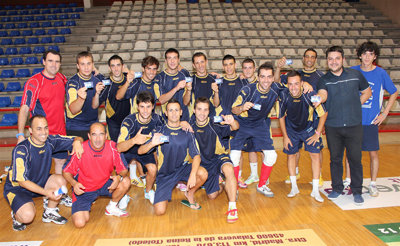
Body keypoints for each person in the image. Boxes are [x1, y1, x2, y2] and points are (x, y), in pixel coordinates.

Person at [3, 115, 83, 231]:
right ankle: (17, 216)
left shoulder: (50, 141)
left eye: (46, 128)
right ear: (30, 130)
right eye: (39, 129)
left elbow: (78, 138)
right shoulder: (21, 150)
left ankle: (49, 212)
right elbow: (22, 181)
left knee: (60, 180)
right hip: (18, 189)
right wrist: (46, 192)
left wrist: (77, 143)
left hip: (40, 182)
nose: (44, 132)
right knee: (27, 216)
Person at [315, 46, 372, 205]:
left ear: (343, 60)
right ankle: (337, 188)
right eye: (330, 59)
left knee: (355, 159)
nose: (333, 62)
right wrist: (319, 98)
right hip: (333, 127)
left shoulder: (355, 75)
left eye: (337, 58)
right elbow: (323, 94)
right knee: (335, 159)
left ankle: (357, 190)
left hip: (354, 126)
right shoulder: (324, 79)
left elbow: (367, 92)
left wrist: (356, 103)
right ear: (327, 61)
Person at [17, 50, 73, 207]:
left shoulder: (61, 78)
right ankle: (41, 195)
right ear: (43, 62)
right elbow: (24, 108)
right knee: (41, 168)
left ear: (60, 64)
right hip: (42, 135)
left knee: (61, 164)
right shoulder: (34, 82)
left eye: (57, 61)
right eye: (50, 61)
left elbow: (75, 84)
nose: (53, 64)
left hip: (60, 132)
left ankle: (59, 194)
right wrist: (20, 134)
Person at [343, 41, 398, 196]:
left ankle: (373, 183)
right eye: (365, 54)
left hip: (371, 121)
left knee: (373, 153)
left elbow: (393, 92)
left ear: (375, 56)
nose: (367, 57)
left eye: (371, 54)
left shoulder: (380, 73)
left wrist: (385, 112)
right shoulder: (352, 71)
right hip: (353, 120)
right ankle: (348, 180)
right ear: (360, 55)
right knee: (350, 152)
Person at [138, 99, 207, 215]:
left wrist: (192, 175)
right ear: (166, 113)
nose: (174, 113)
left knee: (202, 173)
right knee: (160, 211)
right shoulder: (159, 130)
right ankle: (157, 189)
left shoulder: (187, 132)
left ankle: (189, 193)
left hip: (182, 169)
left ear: (181, 112)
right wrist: (152, 143)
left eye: (176, 110)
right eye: (170, 110)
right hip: (165, 175)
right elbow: (140, 151)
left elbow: (196, 156)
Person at [63, 122, 131, 228]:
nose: (98, 139)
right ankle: (92, 201)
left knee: (125, 181)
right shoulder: (80, 149)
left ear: (106, 136)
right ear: (89, 136)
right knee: (80, 223)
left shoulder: (112, 146)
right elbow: (66, 171)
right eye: (94, 134)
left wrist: (119, 177)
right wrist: (74, 183)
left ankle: (112, 207)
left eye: (101, 134)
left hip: (105, 185)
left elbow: (123, 169)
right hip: (85, 190)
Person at [230, 62, 282, 197]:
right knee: (234, 155)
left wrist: (306, 85)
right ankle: (233, 186)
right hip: (243, 124)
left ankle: (262, 184)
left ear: (272, 78)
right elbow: (233, 109)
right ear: (258, 77)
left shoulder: (276, 89)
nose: (266, 80)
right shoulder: (248, 90)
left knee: (272, 156)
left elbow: (294, 87)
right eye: (263, 77)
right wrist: (242, 108)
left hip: (260, 125)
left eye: (269, 77)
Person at [275, 48, 325, 186]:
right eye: (307, 56)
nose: (309, 59)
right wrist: (278, 67)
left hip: (313, 120)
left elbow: (324, 95)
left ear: (315, 59)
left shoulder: (321, 76)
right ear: (303, 58)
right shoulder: (297, 75)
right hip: (295, 120)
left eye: (312, 57)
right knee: (294, 149)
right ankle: (295, 172)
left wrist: (320, 127)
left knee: (316, 150)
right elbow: (277, 81)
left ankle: (318, 175)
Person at [278, 71, 327, 202]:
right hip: (291, 130)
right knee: (291, 155)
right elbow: (281, 116)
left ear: (301, 84)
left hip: (309, 129)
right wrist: (285, 136)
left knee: (315, 156)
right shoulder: (284, 94)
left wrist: (317, 133)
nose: (293, 87)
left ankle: (315, 190)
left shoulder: (310, 95)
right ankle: (294, 187)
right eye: (290, 84)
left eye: (296, 84)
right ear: (287, 85)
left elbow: (323, 114)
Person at [191, 97, 239, 223]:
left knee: (229, 169)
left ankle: (233, 208)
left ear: (209, 111)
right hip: (204, 165)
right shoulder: (189, 128)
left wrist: (232, 121)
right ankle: (223, 184)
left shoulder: (215, 123)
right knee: (212, 196)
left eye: (205, 110)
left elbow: (235, 127)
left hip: (218, 157)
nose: (202, 113)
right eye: (199, 109)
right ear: (194, 110)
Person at [117, 91, 164, 204]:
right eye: (142, 106)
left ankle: (148, 191)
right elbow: (118, 147)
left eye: (148, 107)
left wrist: (183, 123)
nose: (145, 110)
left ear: (153, 106)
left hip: (146, 149)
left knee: (153, 170)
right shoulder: (129, 121)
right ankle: (123, 195)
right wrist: (134, 140)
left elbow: (171, 127)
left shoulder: (158, 120)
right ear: (137, 107)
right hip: (128, 149)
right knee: (122, 172)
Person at [92, 55, 133, 142]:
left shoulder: (129, 79)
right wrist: (97, 93)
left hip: (129, 121)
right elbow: (95, 106)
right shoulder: (106, 84)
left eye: (118, 65)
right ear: (109, 68)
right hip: (113, 123)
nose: (116, 69)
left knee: (128, 150)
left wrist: (130, 72)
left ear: (123, 66)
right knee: (114, 148)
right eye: (113, 66)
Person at [66, 51, 102, 140]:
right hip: (76, 127)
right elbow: (73, 110)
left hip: (92, 126)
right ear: (77, 66)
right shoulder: (73, 83)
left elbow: (95, 106)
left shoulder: (96, 81)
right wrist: (81, 98)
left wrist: (97, 94)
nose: (86, 67)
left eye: (88, 64)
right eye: (82, 64)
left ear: (93, 65)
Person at [240, 58, 261, 187]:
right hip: (244, 121)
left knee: (264, 149)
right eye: (245, 68)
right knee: (249, 149)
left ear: (254, 69)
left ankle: (265, 177)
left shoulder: (261, 83)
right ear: (242, 69)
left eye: (250, 68)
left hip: (259, 121)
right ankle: (254, 175)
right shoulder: (240, 81)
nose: (247, 70)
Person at [157, 48, 191, 121]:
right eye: (169, 58)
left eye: (175, 58)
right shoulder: (160, 77)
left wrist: (188, 91)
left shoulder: (184, 76)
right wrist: (176, 88)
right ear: (165, 61)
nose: (172, 61)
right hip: (166, 120)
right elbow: (161, 100)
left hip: (183, 119)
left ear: (178, 60)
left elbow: (186, 102)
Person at [183, 52, 219, 117]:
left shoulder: (214, 79)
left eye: (202, 62)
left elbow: (216, 104)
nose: (200, 65)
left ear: (206, 62)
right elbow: (185, 102)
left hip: (211, 117)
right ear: (193, 65)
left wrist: (216, 92)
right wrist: (188, 90)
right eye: (197, 63)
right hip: (195, 119)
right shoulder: (190, 80)